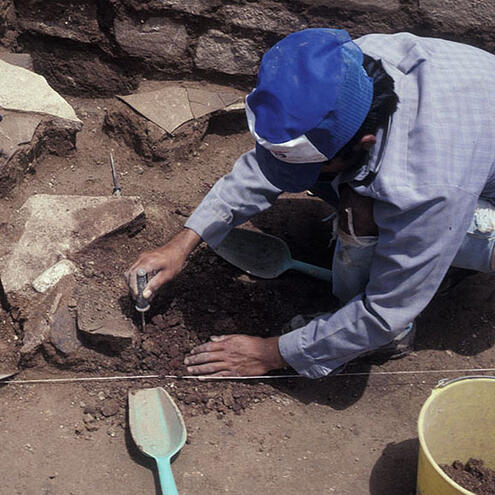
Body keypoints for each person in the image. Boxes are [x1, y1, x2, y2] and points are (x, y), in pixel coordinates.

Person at [126, 28, 495, 379]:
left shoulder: (427, 184)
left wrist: (272, 353)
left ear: (365, 141)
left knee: (362, 209)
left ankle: (379, 335)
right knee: (343, 181)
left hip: (460, 181)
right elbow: (268, 166)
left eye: (315, 164)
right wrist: (183, 242)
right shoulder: (342, 72)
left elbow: (387, 310)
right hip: (466, 154)